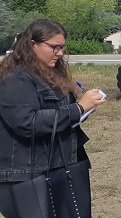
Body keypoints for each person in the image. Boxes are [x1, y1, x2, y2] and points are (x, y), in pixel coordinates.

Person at [0, 19, 106, 218]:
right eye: (54, 47)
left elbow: (58, 116)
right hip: (28, 174)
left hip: (60, 166)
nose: (59, 53)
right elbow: (28, 123)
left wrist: (82, 112)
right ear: (33, 45)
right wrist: (79, 108)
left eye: (62, 48)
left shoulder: (48, 73)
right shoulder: (14, 78)